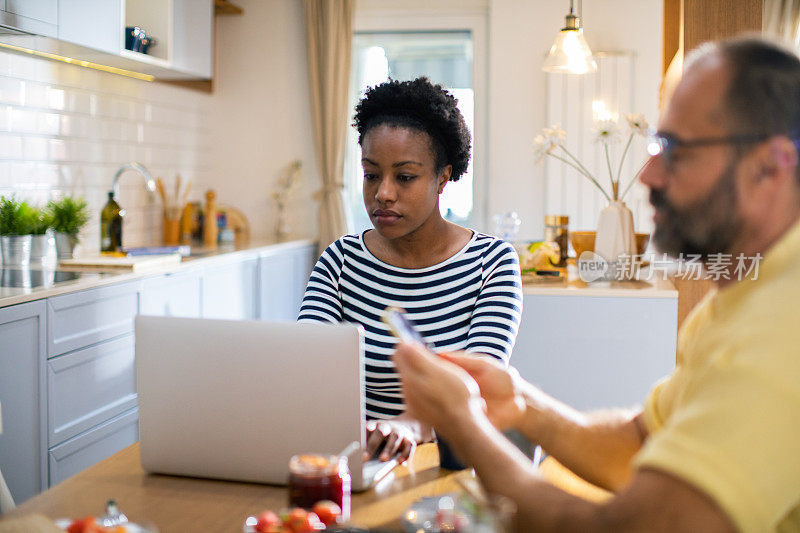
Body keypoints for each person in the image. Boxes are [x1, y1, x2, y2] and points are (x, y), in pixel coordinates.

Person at [393, 36, 800, 532]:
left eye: (676, 150)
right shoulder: (743, 295)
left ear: (770, 166)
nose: (647, 174)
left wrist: (464, 427)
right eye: (655, 145)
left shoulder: (782, 327)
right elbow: (639, 445)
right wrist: (522, 403)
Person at [298, 77, 523, 463]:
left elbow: (475, 386)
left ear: (443, 177)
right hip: (354, 457)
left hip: (443, 460)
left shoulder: (492, 262)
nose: (383, 193)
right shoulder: (340, 260)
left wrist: (408, 427)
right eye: (371, 175)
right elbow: (304, 367)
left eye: (404, 177)